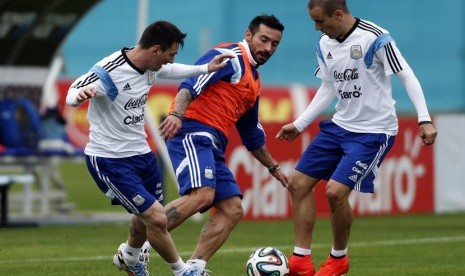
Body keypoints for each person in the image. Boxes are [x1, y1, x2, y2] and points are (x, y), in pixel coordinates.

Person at [276, 1, 438, 275]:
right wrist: (300, 123)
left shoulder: (375, 37)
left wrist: (423, 118)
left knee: (335, 192)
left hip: (374, 131)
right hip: (340, 126)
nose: (316, 28)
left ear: (338, 14)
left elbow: (406, 75)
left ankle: (339, 259)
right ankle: (301, 260)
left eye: (320, 21)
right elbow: (328, 86)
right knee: (297, 184)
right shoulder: (324, 44)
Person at [65, 20, 232, 276]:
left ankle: (129, 256)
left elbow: (171, 71)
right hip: (110, 159)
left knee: (146, 218)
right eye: (170, 54)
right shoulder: (111, 71)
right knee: (156, 217)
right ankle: (182, 271)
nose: (171, 60)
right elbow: (73, 91)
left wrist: (205, 68)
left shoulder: (151, 66)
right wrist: (78, 96)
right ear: (156, 50)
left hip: (142, 154)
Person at [156, 14, 289, 275]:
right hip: (193, 132)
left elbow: (251, 133)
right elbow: (192, 83)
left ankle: (194, 267)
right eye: (263, 40)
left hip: (213, 143)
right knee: (202, 196)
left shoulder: (254, 80)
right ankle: (136, 247)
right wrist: (176, 114)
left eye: (274, 44)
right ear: (249, 36)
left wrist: (274, 169)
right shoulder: (231, 55)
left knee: (232, 209)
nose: (268, 48)